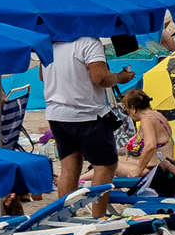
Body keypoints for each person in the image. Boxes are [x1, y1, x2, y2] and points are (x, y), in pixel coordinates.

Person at [45, 34, 121, 217]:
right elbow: (100, 78)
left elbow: (42, 75)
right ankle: (98, 216)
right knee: (104, 166)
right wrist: (119, 77)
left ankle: (64, 217)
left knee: (69, 166)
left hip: (57, 113)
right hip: (87, 114)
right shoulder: (88, 42)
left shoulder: (50, 43)